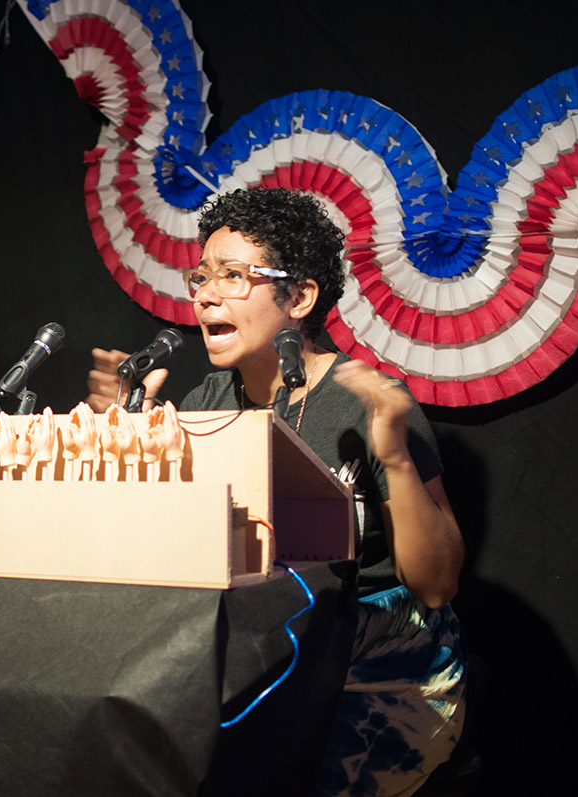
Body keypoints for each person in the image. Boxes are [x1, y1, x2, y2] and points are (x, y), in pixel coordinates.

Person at [88, 187, 467, 795]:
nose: (206, 294)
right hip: (258, 656)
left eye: (233, 276)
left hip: (375, 671)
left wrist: (393, 456)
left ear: (299, 297)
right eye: (202, 277)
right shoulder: (204, 404)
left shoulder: (365, 401)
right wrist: (132, 445)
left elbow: (437, 585)